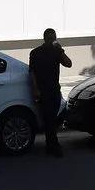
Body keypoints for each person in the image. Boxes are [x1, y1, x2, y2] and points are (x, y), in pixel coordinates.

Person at [28, 27, 70, 157]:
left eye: (54, 39)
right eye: (50, 39)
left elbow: (68, 64)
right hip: (43, 90)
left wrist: (61, 50)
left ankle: (51, 143)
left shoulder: (57, 52)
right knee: (48, 118)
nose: (52, 41)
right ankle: (53, 145)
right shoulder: (36, 53)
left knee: (52, 117)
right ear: (45, 39)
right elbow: (31, 72)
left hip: (54, 89)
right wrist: (35, 89)